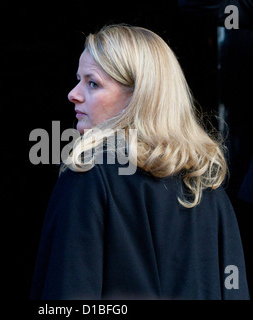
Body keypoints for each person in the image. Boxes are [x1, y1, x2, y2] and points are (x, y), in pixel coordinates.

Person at [29, 24, 250, 300]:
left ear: (138, 97)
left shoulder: (88, 176)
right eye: (78, 79)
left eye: (93, 83)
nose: (73, 93)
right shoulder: (208, 189)